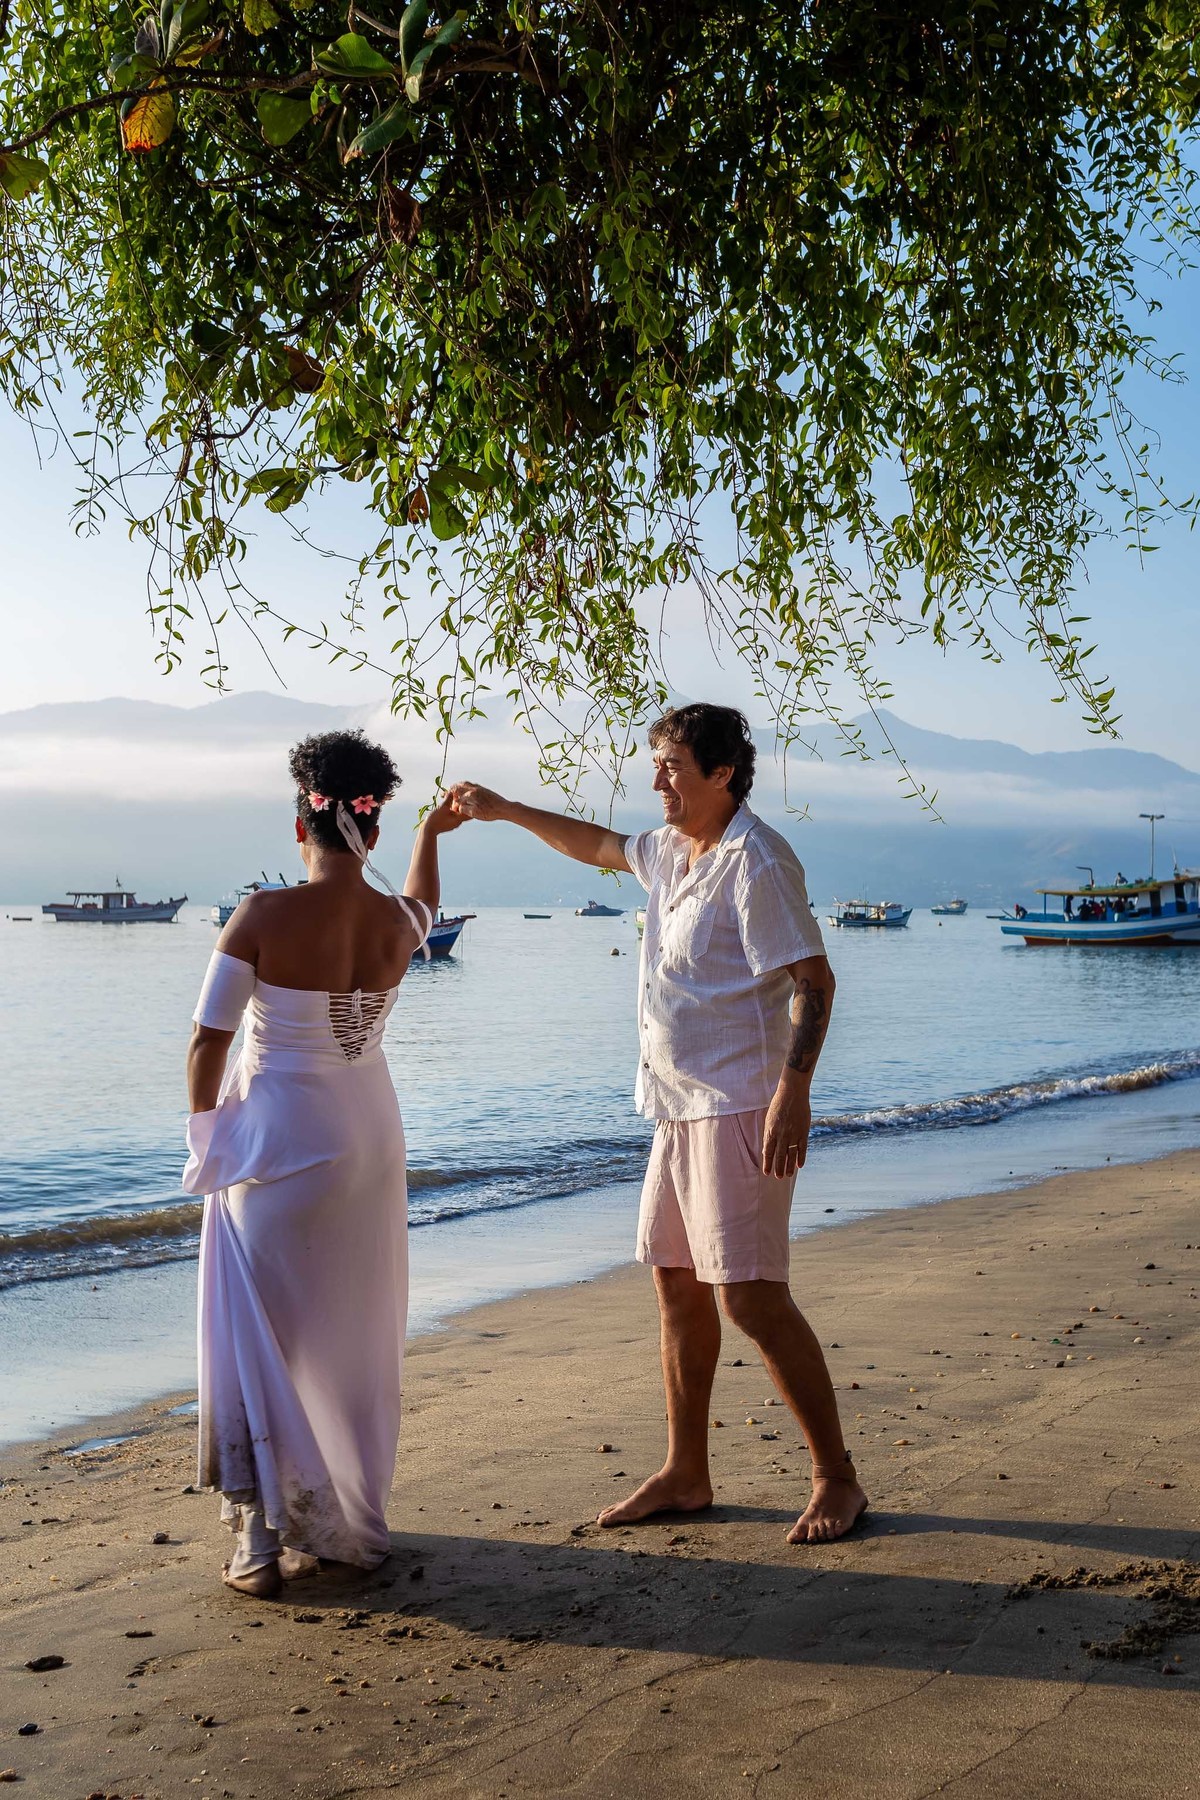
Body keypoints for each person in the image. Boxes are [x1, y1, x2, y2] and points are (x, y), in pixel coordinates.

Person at [449, 703, 866, 1544]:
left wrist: (795, 1092)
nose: (657, 780)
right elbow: (596, 846)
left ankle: (837, 1478)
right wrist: (503, 810)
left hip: (741, 1103)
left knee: (749, 1296)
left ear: (722, 774)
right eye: (656, 764)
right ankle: (685, 1472)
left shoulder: (757, 861)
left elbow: (814, 983)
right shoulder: (673, 850)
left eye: (672, 765)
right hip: (676, 1106)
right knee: (676, 1283)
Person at [183, 730, 464, 1597]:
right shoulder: (398, 923)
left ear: (299, 821)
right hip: (370, 1143)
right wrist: (432, 837)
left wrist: (207, 1136)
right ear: (370, 831)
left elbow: (207, 1038)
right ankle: (343, 1518)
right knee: (352, 1333)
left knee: (264, 1335)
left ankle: (261, 1547)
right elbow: (421, 902)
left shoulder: (263, 915)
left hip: (283, 1144)